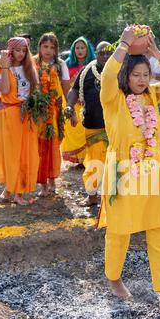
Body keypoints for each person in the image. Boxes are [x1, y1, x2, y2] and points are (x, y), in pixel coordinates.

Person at [99, 26, 160, 314]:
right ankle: (114, 280)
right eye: (135, 75)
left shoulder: (153, 94)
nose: (141, 80)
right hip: (122, 173)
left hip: (154, 173)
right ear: (125, 76)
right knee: (118, 232)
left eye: (145, 74)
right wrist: (126, 44)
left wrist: (157, 55)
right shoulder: (112, 98)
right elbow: (106, 75)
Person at [0, 37, 39, 205]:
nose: (21, 54)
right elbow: (4, 89)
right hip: (8, 115)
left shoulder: (30, 68)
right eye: (18, 50)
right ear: (11, 50)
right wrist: (4, 68)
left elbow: (34, 92)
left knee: (24, 153)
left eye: (24, 51)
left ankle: (15, 192)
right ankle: (12, 190)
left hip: (26, 115)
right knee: (11, 154)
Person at [65, 41, 112, 206]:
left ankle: (115, 199)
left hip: (116, 127)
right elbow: (75, 90)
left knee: (117, 164)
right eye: (101, 53)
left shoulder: (120, 70)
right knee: (93, 164)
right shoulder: (87, 71)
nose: (105, 56)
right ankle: (92, 197)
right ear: (96, 54)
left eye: (108, 53)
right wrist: (70, 105)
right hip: (93, 125)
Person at [35, 32, 70, 197]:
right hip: (37, 112)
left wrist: (70, 108)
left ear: (56, 50)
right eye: (45, 46)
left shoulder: (61, 64)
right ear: (39, 47)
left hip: (55, 112)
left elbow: (66, 89)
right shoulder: (33, 63)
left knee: (53, 145)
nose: (48, 50)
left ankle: (52, 180)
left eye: (52, 47)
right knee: (39, 147)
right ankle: (42, 184)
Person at [61, 36, 96, 166]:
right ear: (73, 49)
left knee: (87, 129)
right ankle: (78, 159)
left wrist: (85, 98)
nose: (80, 50)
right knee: (73, 129)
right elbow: (65, 85)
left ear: (87, 50)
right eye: (77, 48)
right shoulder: (67, 65)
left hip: (88, 102)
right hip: (72, 102)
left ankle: (87, 158)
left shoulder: (94, 64)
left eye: (83, 48)